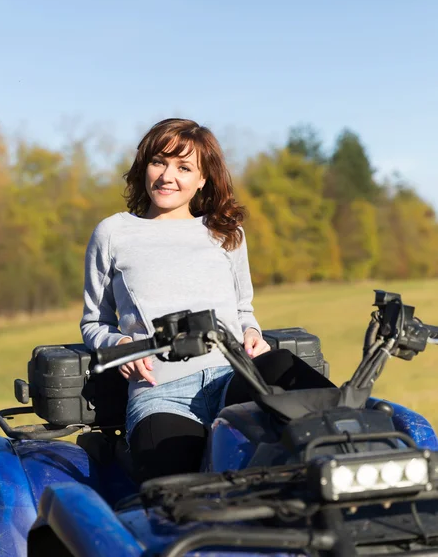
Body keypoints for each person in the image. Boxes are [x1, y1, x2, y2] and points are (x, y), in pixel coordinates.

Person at [80, 118, 333, 482]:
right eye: (158, 162)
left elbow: (243, 310)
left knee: (283, 368)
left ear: (203, 179)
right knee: (177, 494)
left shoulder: (225, 233)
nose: (167, 176)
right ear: (144, 166)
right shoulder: (113, 233)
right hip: (161, 393)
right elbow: (94, 322)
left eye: (184, 167)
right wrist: (121, 346)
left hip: (232, 377)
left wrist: (251, 332)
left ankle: (370, 442)